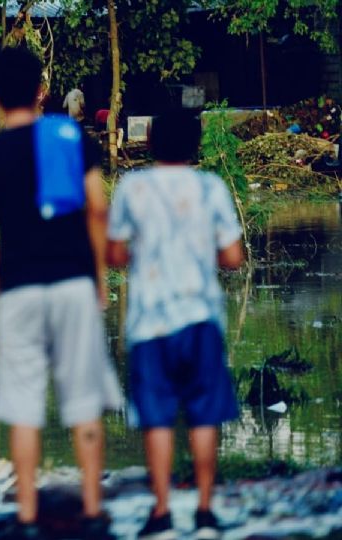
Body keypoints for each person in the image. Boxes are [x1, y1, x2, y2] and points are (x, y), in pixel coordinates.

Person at [0, 47, 123, 540]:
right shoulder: (71, 140)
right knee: (84, 401)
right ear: (40, 91)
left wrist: (4, 284)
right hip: (73, 283)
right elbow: (97, 209)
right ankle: (92, 509)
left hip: (20, 290)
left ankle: (27, 515)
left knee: (23, 405)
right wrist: (99, 277)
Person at [106, 111, 244, 540]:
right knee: (204, 415)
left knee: (158, 418)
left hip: (150, 322)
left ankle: (162, 510)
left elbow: (114, 255)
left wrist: (147, 253)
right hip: (201, 318)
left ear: (149, 142)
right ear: (195, 146)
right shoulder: (211, 188)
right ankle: (204, 509)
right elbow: (233, 258)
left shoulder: (132, 187)